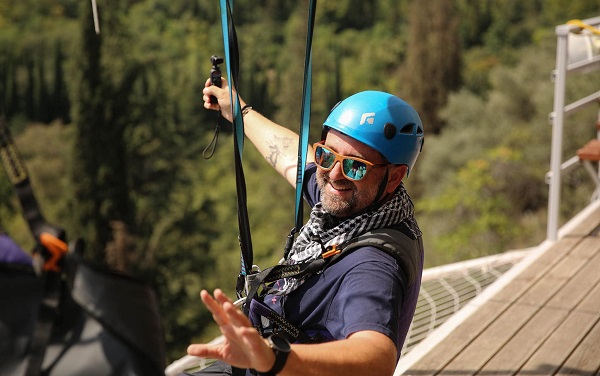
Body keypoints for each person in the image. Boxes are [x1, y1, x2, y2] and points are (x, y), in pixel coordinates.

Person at [185, 78, 424, 376]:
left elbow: (377, 357)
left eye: (355, 166)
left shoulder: (372, 264)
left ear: (394, 176)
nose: (334, 175)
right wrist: (239, 110)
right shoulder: (354, 206)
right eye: (326, 155)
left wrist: (275, 358)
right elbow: (289, 154)